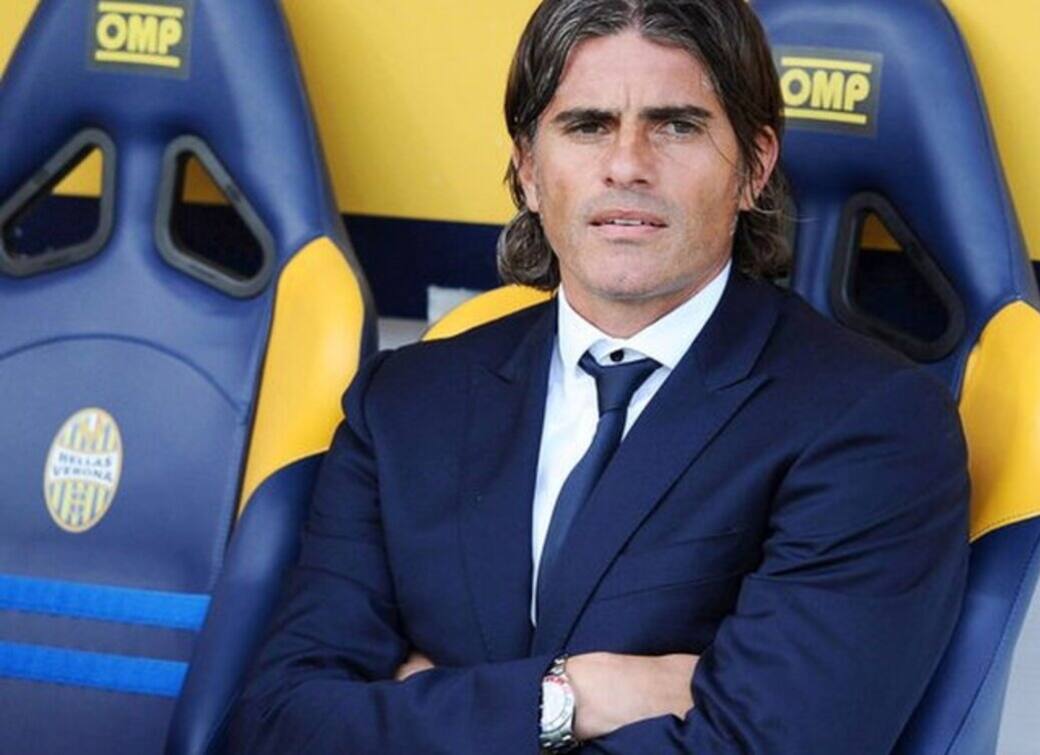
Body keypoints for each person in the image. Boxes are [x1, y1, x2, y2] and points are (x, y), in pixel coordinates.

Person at [227, 0, 969, 752]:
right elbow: (279, 725)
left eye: (676, 126)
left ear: (754, 167)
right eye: (587, 126)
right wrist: (571, 697)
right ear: (528, 170)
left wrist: (426, 703)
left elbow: (765, 746)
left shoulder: (873, 425)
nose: (627, 165)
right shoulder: (403, 404)